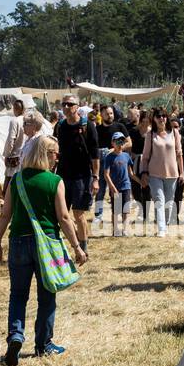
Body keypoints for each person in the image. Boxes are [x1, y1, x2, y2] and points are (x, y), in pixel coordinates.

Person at [0, 136, 87, 366]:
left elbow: (5, 214)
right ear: (45, 154)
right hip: (47, 244)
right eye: (55, 153)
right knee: (47, 295)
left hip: (19, 242)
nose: (57, 158)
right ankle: (43, 344)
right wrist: (77, 247)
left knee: (18, 295)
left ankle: (15, 336)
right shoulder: (54, 181)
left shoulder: (17, 180)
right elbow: (63, 217)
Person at [53, 94, 98, 253]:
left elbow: (95, 154)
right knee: (61, 214)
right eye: (63, 104)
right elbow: (56, 150)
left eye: (69, 104)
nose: (65, 107)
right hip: (63, 177)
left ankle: (83, 248)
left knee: (79, 214)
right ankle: (76, 243)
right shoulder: (60, 126)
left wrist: (95, 178)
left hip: (82, 176)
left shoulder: (88, 125)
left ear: (77, 106)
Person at [140, 107, 184, 238]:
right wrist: (144, 172)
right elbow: (145, 156)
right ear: (154, 119)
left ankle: (165, 224)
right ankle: (161, 228)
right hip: (154, 174)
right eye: (158, 116)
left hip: (172, 173)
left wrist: (182, 173)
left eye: (164, 116)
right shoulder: (150, 135)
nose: (161, 119)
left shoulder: (174, 133)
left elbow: (179, 154)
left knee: (169, 202)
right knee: (159, 200)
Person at [94, 105, 127, 223]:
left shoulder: (119, 127)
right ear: (101, 115)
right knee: (101, 189)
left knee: (117, 188)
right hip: (102, 161)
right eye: (107, 113)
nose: (110, 116)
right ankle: (98, 214)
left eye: (111, 113)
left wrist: (115, 149)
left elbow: (129, 143)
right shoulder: (97, 129)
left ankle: (117, 213)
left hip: (117, 161)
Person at [104, 131, 133, 233]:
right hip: (115, 187)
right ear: (112, 143)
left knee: (126, 209)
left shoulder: (126, 156)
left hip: (126, 186)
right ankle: (115, 229)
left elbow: (131, 173)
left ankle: (125, 229)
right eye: (117, 141)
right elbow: (106, 174)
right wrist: (113, 188)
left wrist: (140, 181)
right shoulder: (109, 157)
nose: (119, 143)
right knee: (116, 210)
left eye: (121, 141)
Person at [1, 99, 27, 188]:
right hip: (25, 157)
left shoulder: (15, 121)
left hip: (14, 158)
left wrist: (7, 155)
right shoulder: (27, 120)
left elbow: (11, 140)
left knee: (9, 187)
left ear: (16, 109)